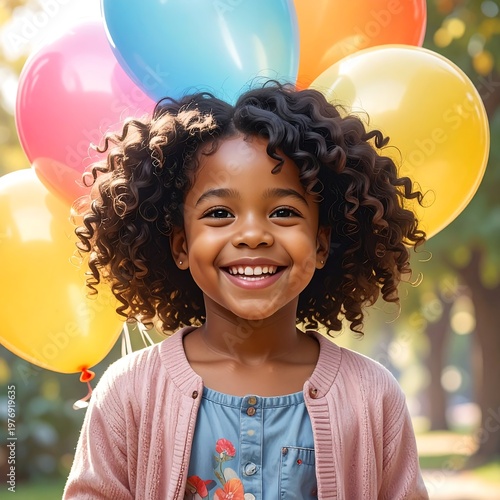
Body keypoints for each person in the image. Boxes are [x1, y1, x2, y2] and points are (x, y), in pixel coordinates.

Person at [63, 82, 429, 499]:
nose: (253, 234)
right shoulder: (129, 392)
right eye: (219, 213)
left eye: (283, 212)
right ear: (182, 245)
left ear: (321, 244)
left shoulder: (372, 395)